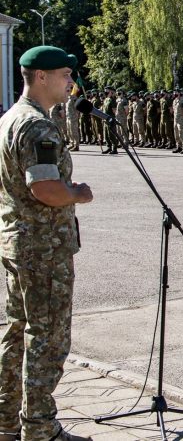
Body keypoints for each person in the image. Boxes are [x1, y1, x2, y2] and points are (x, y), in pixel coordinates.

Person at [0, 46, 94, 441]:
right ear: (40, 76)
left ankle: (6, 421)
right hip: (42, 248)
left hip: (17, 243)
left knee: (18, 332)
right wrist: (77, 193)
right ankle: (40, 429)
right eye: (63, 74)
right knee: (48, 337)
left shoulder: (9, 118)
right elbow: (46, 189)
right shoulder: (38, 127)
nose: (70, 80)